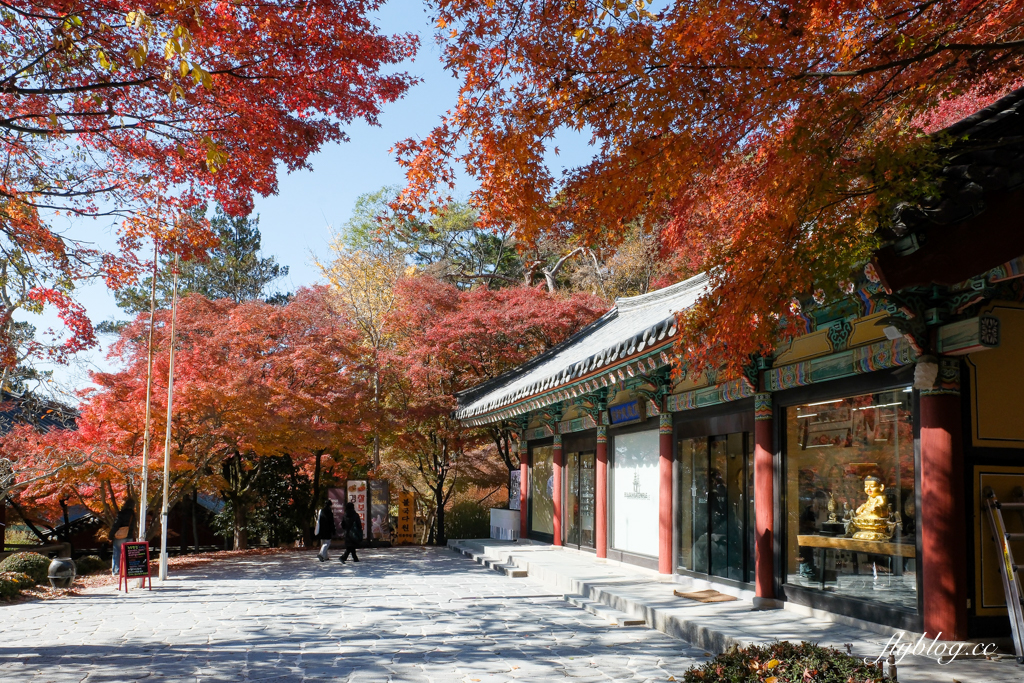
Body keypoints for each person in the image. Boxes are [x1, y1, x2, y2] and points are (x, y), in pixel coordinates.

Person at [110, 497, 136, 576]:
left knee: (117, 552)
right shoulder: (133, 514)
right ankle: (128, 570)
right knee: (128, 553)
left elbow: (116, 525)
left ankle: (117, 570)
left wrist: (111, 535)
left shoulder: (121, 513)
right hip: (129, 535)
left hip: (120, 536)